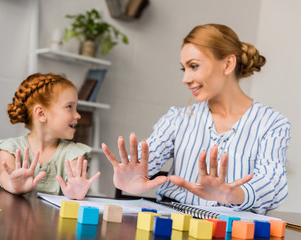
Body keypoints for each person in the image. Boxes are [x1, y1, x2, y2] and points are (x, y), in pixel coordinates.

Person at [102, 24, 291, 214]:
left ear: (227, 64)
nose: (185, 78)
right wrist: (129, 179)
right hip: (172, 222)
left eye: (194, 66)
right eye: (183, 68)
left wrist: (234, 195)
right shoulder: (177, 119)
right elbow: (148, 158)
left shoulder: (272, 123)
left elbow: (273, 182)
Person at [0, 73, 100, 199]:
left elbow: (78, 177)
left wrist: (78, 189)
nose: (78, 115)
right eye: (69, 107)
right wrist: (14, 185)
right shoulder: (10, 149)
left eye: (76, 108)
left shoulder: (74, 154)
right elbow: (6, 176)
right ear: (41, 114)